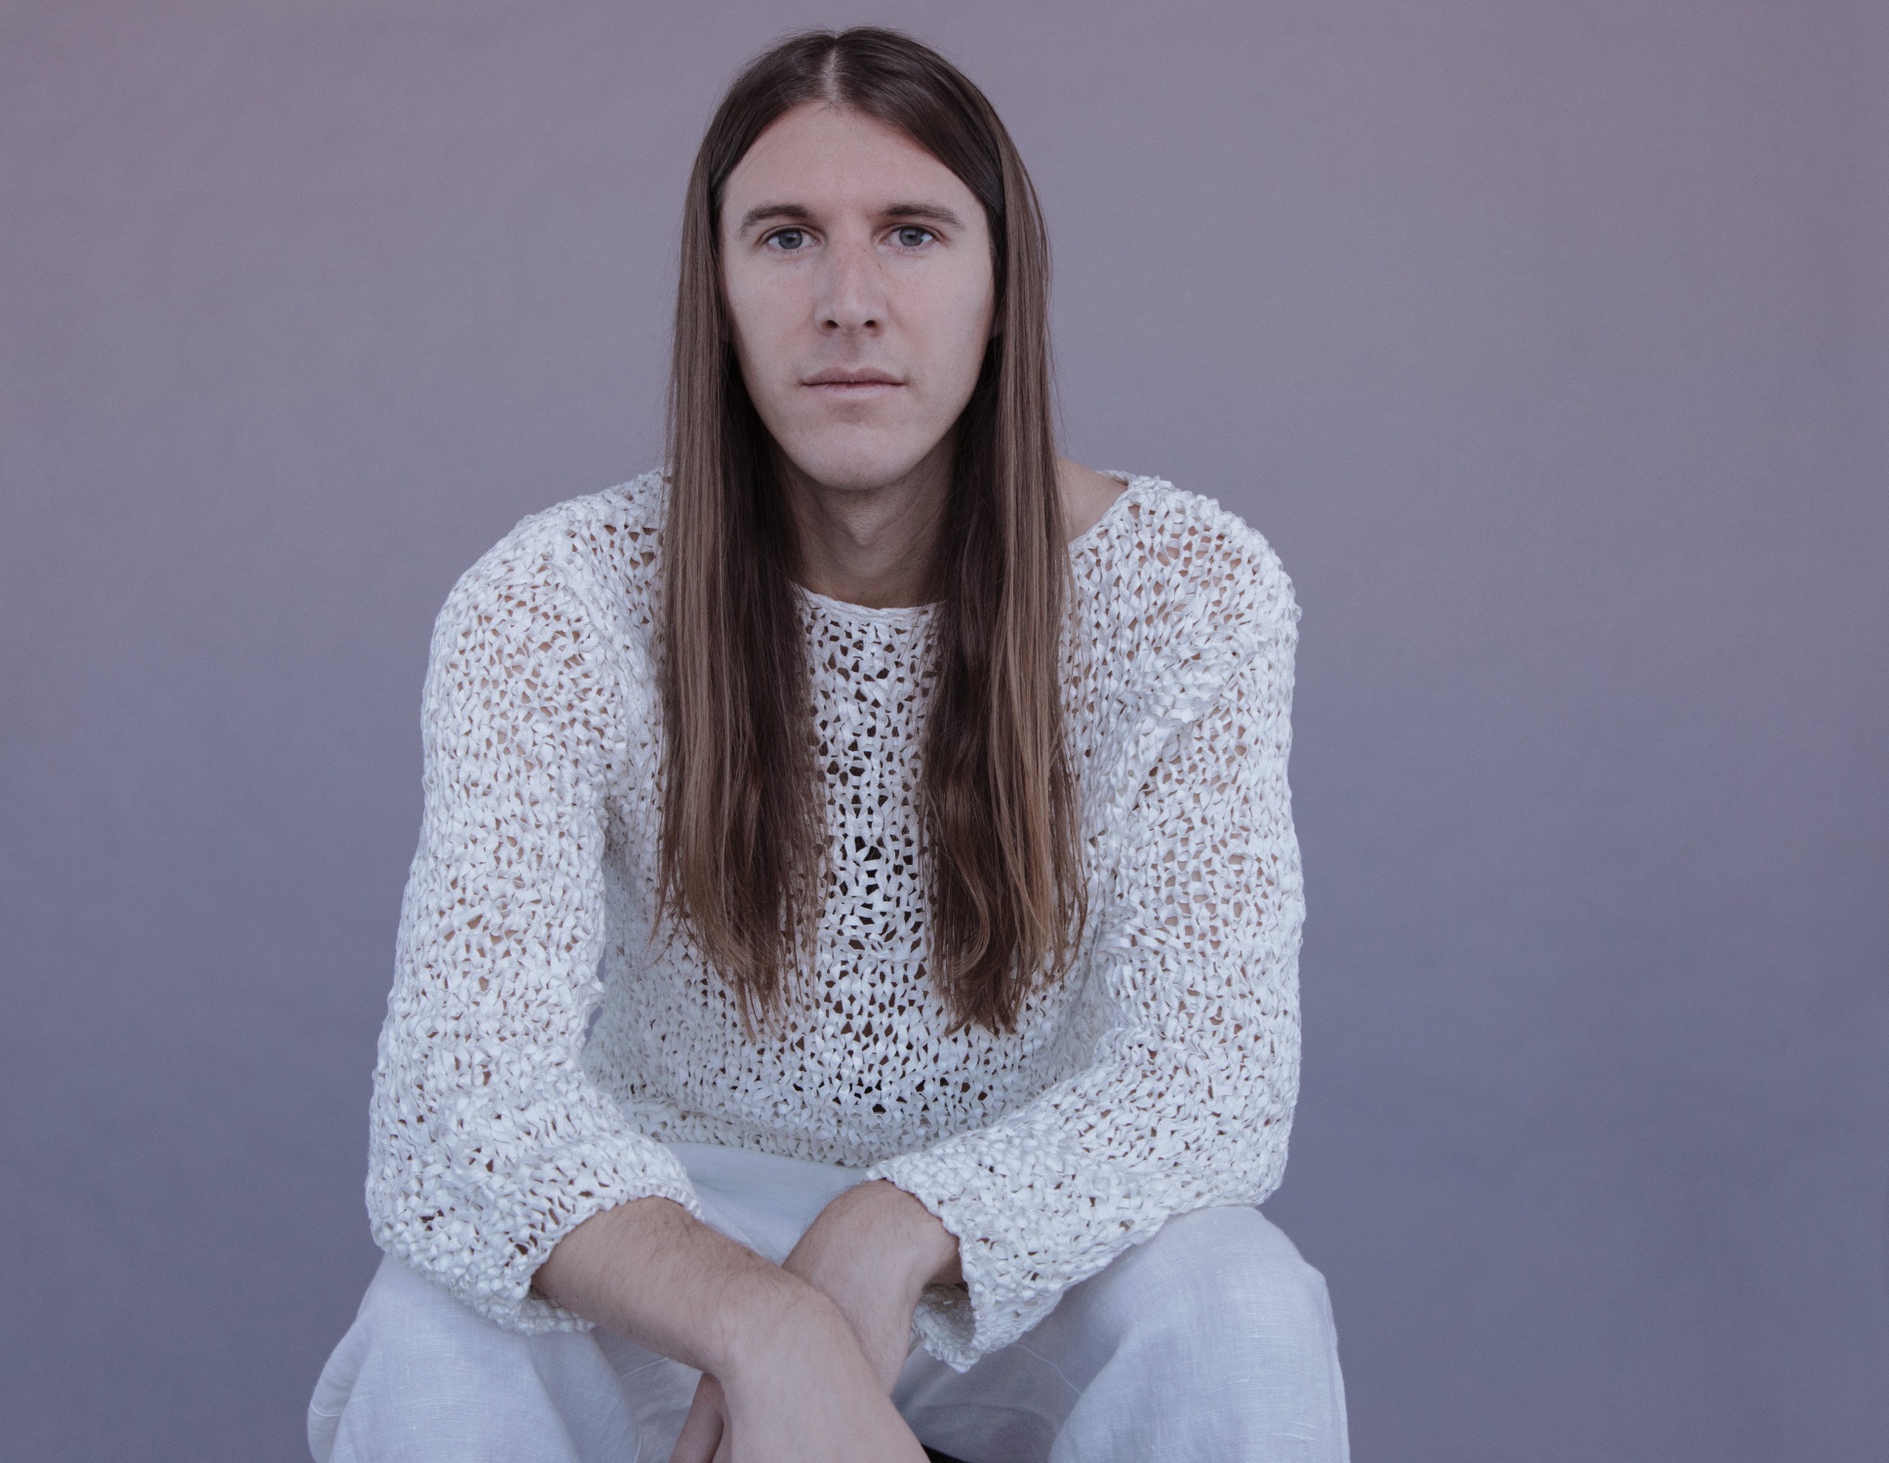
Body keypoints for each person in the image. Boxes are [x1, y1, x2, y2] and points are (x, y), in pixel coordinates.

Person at [308, 26, 1348, 1463]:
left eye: (913, 235)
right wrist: (767, 1320)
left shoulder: (1187, 594)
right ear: (719, 296)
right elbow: (463, 1102)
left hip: (1012, 1233)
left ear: (1000, 295)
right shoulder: (553, 603)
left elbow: (1210, 1077)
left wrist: (892, 1228)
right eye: (787, 237)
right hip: (666, 1215)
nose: (848, 301)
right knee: (432, 1330)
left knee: (1242, 1304)